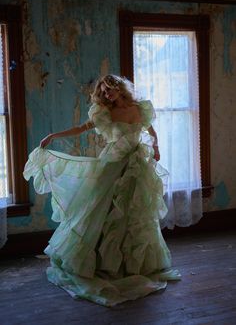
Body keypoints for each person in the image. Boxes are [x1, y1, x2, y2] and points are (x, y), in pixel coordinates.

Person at [23, 74, 181, 307]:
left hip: (137, 165)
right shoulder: (104, 113)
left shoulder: (139, 108)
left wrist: (156, 147)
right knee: (102, 211)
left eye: (110, 90)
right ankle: (101, 262)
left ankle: (135, 265)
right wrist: (53, 136)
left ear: (120, 89)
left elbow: (151, 130)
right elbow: (81, 128)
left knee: (135, 212)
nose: (107, 95)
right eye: (103, 92)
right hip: (113, 165)